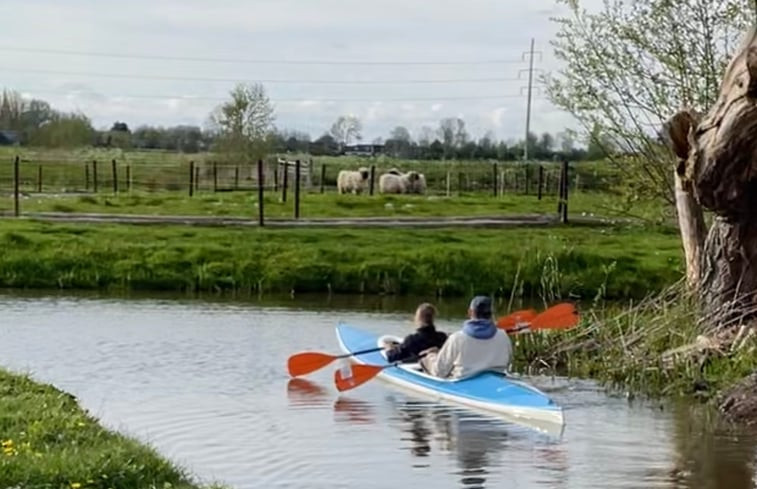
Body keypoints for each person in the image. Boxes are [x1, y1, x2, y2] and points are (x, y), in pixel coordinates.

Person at [420, 295, 512, 379]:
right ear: (491, 314)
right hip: (497, 383)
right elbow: (508, 361)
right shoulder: (503, 335)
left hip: (464, 384)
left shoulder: (457, 338)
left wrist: (430, 358)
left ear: (470, 312)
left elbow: (439, 372)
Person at [383, 303, 447, 363]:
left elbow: (392, 357)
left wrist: (389, 349)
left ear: (419, 318)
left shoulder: (412, 339)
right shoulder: (442, 337)